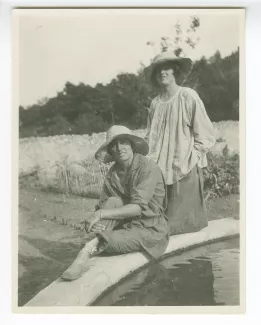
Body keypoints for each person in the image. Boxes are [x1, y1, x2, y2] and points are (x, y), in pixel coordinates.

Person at [61, 125, 169, 281]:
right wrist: (96, 219)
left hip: (149, 226)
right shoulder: (113, 173)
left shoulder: (147, 168)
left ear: (132, 145)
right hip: (125, 222)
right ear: (110, 150)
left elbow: (137, 208)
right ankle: (98, 239)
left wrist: (101, 214)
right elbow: (105, 204)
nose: (119, 148)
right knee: (112, 201)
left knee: (111, 241)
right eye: (114, 145)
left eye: (124, 142)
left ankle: (86, 250)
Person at [144, 51, 216, 236]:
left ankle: (195, 263)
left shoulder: (188, 96)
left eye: (166, 67)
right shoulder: (155, 104)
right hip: (160, 172)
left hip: (185, 169)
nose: (162, 72)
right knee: (159, 224)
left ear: (175, 70)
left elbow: (206, 135)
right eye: (158, 69)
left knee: (185, 228)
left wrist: (189, 159)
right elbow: (150, 137)